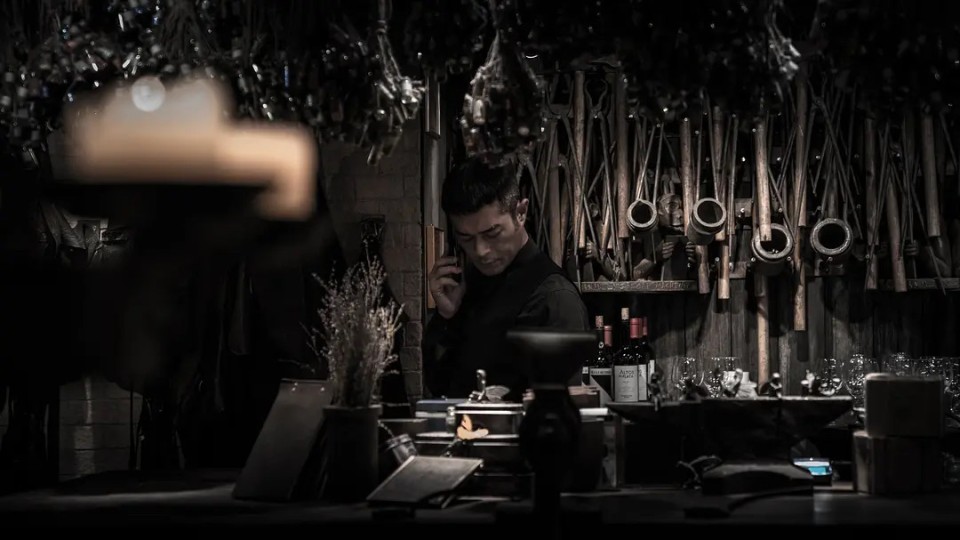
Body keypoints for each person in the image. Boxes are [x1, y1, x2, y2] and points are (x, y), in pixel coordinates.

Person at [423, 158, 589, 401]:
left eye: (492, 233)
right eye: (466, 238)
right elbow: (439, 386)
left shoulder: (554, 298)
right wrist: (446, 317)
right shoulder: (466, 286)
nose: (480, 251)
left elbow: (558, 410)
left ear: (520, 213)